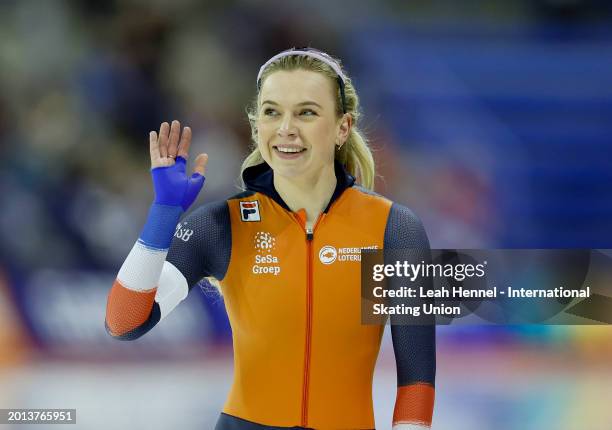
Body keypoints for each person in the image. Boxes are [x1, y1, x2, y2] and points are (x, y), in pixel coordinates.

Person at [105, 47, 435, 430]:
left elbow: (417, 383)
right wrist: (163, 212)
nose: (286, 129)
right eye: (272, 112)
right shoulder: (222, 225)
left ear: (343, 127)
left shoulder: (396, 229)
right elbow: (124, 323)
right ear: (256, 125)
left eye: (306, 113)